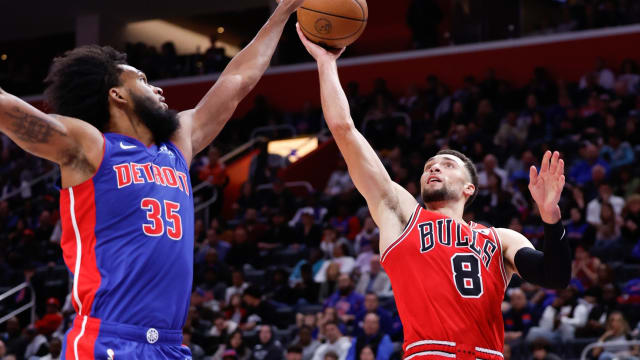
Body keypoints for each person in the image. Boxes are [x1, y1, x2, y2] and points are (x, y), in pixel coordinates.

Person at [0, 1, 305, 358]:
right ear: (117, 95)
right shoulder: (92, 146)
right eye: (143, 81)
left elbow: (237, 80)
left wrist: (283, 12)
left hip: (169, 345)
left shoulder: (177, 144)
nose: (159, 89)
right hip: (107, 339)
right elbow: (12, 112)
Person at [296, 23, 572, 358]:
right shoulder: (400, 215)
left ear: (469, 188)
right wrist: (326, 63)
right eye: (429, 165)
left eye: (447, 165)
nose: (434, 167)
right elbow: (343, 129)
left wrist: (550, 217)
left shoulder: (501, 239)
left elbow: (555, 277)